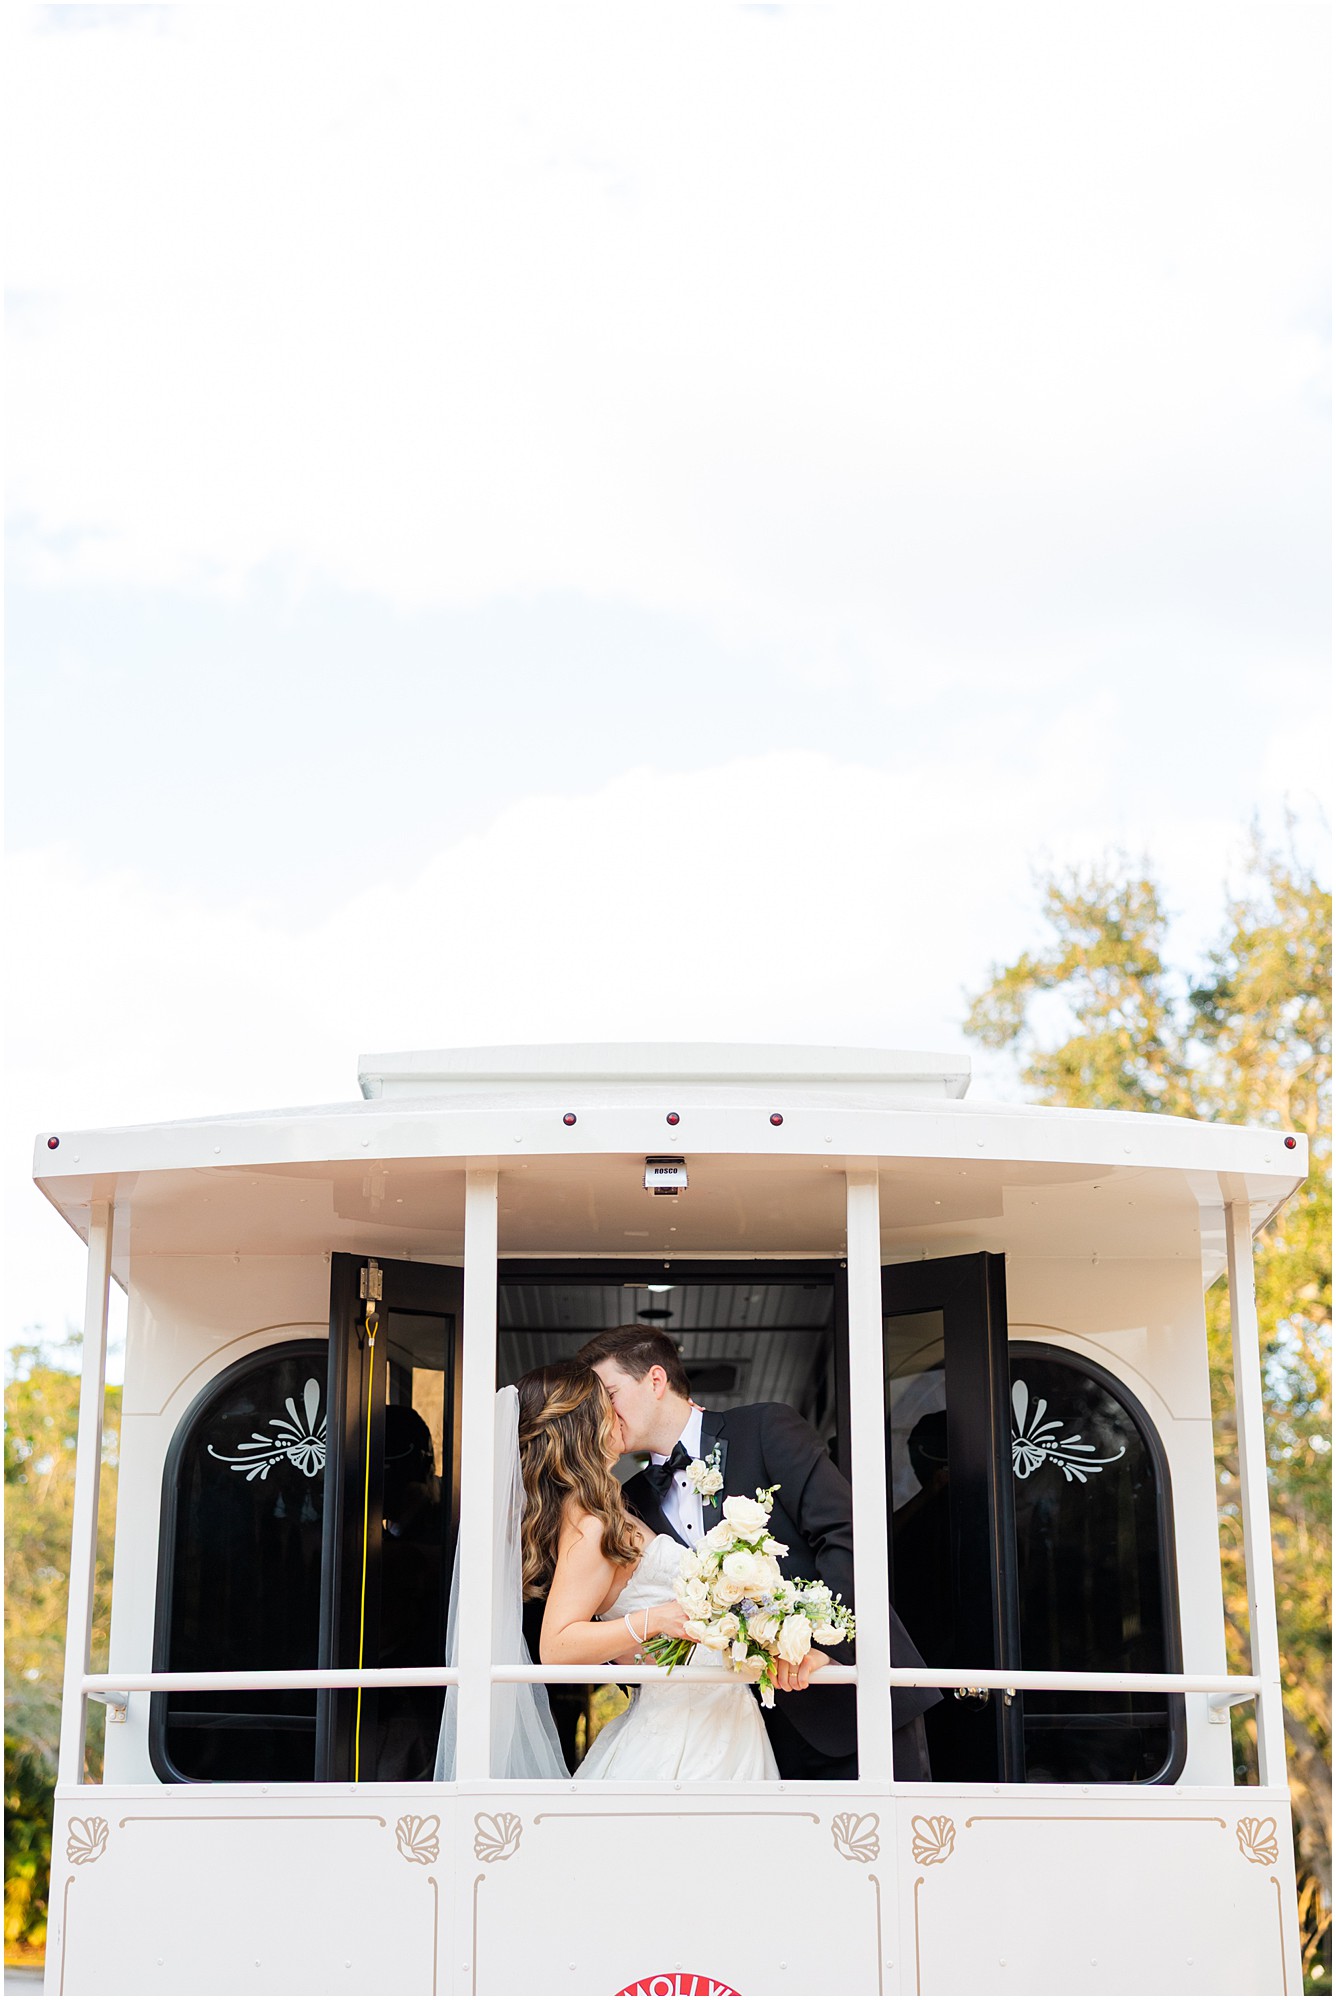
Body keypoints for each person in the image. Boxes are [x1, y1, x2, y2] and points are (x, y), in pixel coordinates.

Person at [576, 1326, 938, 1781]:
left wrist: (822, 1646)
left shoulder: (765, 1428)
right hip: (736, 1737)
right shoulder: (628, 1504)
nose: (602, 1414)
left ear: (655, 1380)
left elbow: (847, 1536)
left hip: (848, 1698)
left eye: (609, 1393)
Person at [517, 1361, 779, 1781]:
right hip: (686, 1729)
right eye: (608, 1404)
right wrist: (658, 1620)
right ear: (585, 1426)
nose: (618, 1414)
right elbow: (557, 1647)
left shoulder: (602, 1510)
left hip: (715, 1714)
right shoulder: (591, 1524)